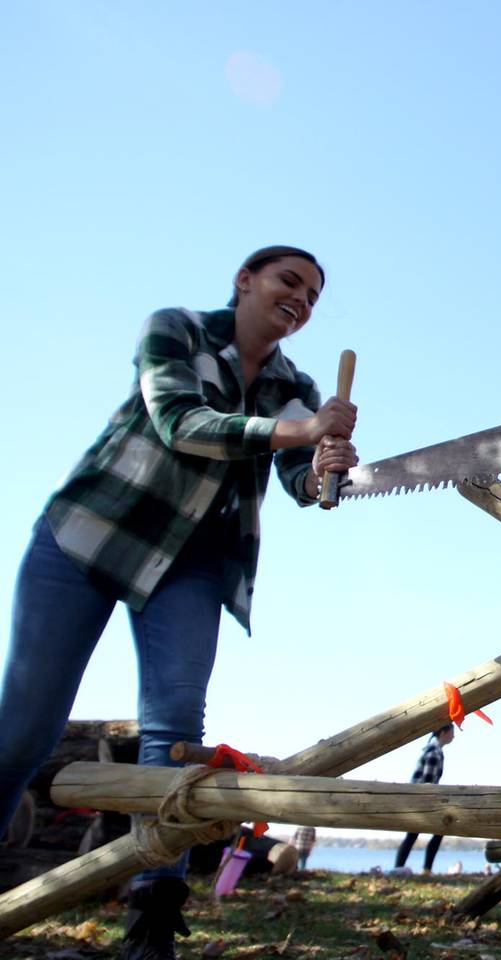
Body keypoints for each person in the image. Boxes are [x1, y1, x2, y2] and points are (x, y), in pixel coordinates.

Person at [0, 245, 358, 960]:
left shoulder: (297, 384)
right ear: (246, 280)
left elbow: (297, 478)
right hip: (90, 537)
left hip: (194, 562)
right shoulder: (176, 329)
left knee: (176, 731)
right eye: (291, 282)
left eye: (314, 296)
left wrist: (326, 466)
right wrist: (300, 431)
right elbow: (180, 423)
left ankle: (153, 913)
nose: (302, 300)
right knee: (24, 728)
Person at [394, 724, 455, 874]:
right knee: (439, 828)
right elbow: (428, 782)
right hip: (421, 799)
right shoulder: (434, 751)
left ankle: (400, 867)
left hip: (419, 798)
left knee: (413, 835)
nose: (453, 736)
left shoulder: (433, 749)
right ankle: (424, 869)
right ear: (443, 732)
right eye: (451, 733)